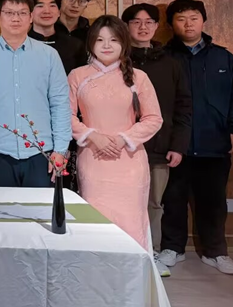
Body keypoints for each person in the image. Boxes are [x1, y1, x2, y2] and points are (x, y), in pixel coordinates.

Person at [159, 0, 233, 275]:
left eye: (194, 17)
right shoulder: (164, 57)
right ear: (171, 24)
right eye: (181, 18)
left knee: (214, 201)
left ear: (203, 20)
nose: (188, 24)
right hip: (174, 144)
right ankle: (172, 248)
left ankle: (215, 252)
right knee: (172, 199)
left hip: (214, 141)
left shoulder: (223, 58)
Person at [69, 16, 163, 252]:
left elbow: (154, 118)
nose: (106, 45)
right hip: (93, 159)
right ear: (91, 43)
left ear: (124, 42)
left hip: (130, 162)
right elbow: (65, 117)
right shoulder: (77, 75)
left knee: (131, 222)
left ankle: (133, 270)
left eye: (113, 39)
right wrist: (93, 136)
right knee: (95, 222)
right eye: (100, 40)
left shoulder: (139, 77)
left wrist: (123, 139)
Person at [0, 0, 70, 187]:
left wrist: (61, 149)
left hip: (41, 152)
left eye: (22, 13)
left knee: (40, 206)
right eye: (9, 13)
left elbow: (61, 104)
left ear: (31, 17)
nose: (15, 18)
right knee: (0, 207)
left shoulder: (49, 55)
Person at [123, 3, 192, 276]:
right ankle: (123, 250)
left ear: (156, 26)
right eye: (136, 22)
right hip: (121, 147)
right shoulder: (117, 60)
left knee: (153, 203)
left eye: (149, 22)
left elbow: (183, 107)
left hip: (159, 147)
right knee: (122, 199)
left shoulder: (171, 63)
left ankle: (149, 251)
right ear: (126, 26)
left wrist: (178, 146)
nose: (143, 27)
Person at [28, 0, 87, 75]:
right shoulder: (20, 45)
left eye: (52, 6)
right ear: (29, 13)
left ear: (59, 12)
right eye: (40, 6)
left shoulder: (75, 46)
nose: (47, 11)